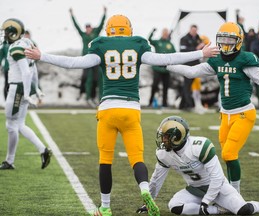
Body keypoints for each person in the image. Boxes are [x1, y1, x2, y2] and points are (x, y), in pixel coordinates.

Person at [25, 14, 219, 216]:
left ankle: (106, 207)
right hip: (131, 110)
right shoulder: (138, 44)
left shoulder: (100, 44)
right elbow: (166, 58)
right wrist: (200, 53)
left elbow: (74, 63)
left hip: (108, 109)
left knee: (105, 160)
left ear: (108, 30)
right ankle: (144, 189)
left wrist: (42, 56)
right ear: (129, 30)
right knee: (136, 158)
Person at [167, 22, 259, 193]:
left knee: (228, 154)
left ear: (239, 41)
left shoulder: (245, 59)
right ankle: (230, 193)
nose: (226, 44)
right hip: (224, 115)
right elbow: (191, 72)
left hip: (243, 113)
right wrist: (166, 64)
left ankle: (235, 195)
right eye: (223, 39)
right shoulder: (217, 59)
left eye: (230, 40)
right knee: (227, 156)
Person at [136, 116, 259, 215]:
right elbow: (156, 179)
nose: (163, 140)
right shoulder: (164, 153)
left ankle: (258, 206)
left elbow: (217, 177)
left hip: (219, 187)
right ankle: (219, 210)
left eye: (166, 136)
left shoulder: (199, 146)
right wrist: (148, 203)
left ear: (176, 137)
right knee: (175, 207)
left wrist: (206, 201)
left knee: (243, 211)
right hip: (195, 189)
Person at [0, 18, 52, 170]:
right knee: (20, 124)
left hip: (17, 88)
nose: (4, 35)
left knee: (11, 125)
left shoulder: (14, 48)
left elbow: (26, 72)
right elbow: (33, 69)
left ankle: (10, 161)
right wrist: (36, 89)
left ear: (13, 33)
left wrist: (29, 93)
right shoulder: (28, 43)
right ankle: (43, 150)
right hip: (23, 88)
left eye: (6, 32)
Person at [69, 7, 107, 107]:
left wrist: (104, 13)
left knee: (97, 78)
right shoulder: (83, 35)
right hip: (86, 59)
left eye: (89, 27)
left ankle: (96, 97)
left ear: (91, 28)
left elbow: (101, 25)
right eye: (86, 28)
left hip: (95, 59)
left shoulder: (95, 34)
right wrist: (72, 15)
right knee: (86, 78)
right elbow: (76, 26)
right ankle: (86, 96)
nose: (88, 29)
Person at [147, 28, 176, 108]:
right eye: (164, 33)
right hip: (157, 69)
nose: (165, 35)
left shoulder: (170, 44)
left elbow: (174, 54)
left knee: (166, 87)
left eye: (166, 33)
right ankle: (150, 102)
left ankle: (164, 104)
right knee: (154, 86)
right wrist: (152, 32)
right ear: (162, 33)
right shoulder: (157, 42)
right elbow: (149, 40)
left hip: (167, 70)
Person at [179, 24, 205, 111]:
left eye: (195, 30)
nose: (194, 32)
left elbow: (202, 49)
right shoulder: (184, 39)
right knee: (187, 85)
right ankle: (189, 105)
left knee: (188, 85)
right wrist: (196, 48)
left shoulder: (198, 38)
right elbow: (183, 50)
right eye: (193, 30)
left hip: (196, 65)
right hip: (187, 65)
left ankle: (182, 105)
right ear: (190, 30)